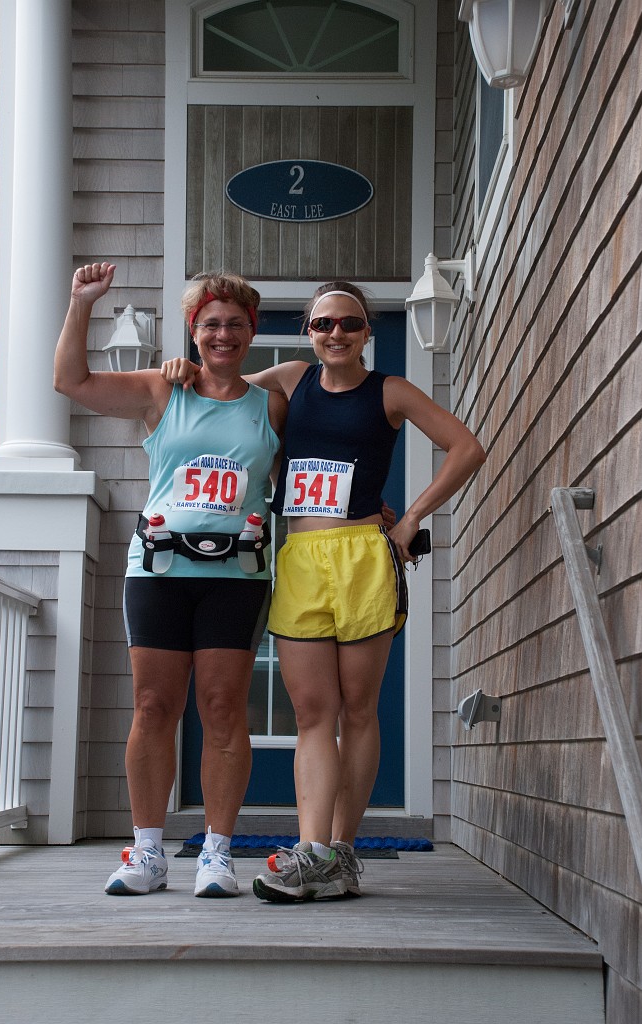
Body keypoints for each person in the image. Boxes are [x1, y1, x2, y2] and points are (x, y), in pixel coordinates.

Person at [162, 280, 486, 902]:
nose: (334, 334)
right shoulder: (289, 379)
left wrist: (414, 516)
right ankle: (311, 851)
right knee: (313, 712)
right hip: (302, 555)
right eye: (322, 324)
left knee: (358, 709)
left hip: (366, 554)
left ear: (367, 332)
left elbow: (464, 447)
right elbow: (218, 395)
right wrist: (183, 366)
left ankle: (341, 851)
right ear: (310, 332)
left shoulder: (390, 391)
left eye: (348, 323)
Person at [54, 263, 285, 898]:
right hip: (158, 570)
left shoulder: (272, 401)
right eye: (211, 324)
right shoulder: (163, 390)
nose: (223, 335)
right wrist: (82, 303)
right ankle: (148, 851)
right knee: (154, 706)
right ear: (193, 330)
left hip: (235, 577)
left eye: (236, 325)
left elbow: (331, 434)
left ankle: (216, 851)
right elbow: (69, 381)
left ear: (251, 331)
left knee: (221, 707)